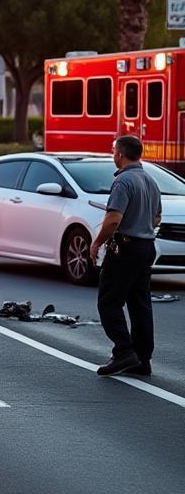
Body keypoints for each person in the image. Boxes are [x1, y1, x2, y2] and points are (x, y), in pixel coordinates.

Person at [90, 135, 162, 376]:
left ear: (120, 154)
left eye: (114, 151)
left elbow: (113, 219)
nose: (113, 155)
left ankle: (123, 351)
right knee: (140, 304)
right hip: (146, 246)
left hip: (125, 247)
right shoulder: (150, 181)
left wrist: (97, 242)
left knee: (109, 301)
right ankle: (142, 359)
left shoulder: (123, 181)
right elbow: (157, 218)